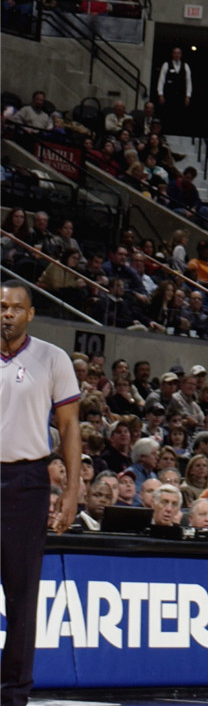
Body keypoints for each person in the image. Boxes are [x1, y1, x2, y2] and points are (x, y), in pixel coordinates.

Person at [1, 283, 81, 706]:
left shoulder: (53, 357)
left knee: (21, 594)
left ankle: (13, 696)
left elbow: (69, 427)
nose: (7, 313)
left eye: (16, 307)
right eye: (1, 306)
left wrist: (71, 490)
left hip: (27, 482)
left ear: (30, 314)